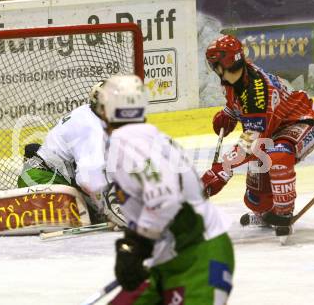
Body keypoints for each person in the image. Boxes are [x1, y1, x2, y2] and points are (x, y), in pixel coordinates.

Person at [94, 74, 234, 305]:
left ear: (106, 109)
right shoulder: (148, 137)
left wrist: (136, 246)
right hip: (172, 256)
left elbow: (165, 198)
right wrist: (136, 242)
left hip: (199, 258)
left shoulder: (126, 140)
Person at [201, 35, 314, 236]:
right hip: (271, 129)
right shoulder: (235, 76)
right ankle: (269, 212)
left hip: (301, 120)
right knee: (255, 200)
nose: (214, 70)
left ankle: (284, 213)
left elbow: (251, 142)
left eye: (215, 65)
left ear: (224, 63)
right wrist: (229, 114)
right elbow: (238, 101)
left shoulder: (256, 92)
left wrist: (222, 170)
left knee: (278, 156)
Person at [17, 80, 126, 226]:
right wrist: (110, 208)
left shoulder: (88, 112)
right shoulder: (92, 129)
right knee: (92, 216)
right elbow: (87, 180)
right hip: (40, 182)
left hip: (44, 175)